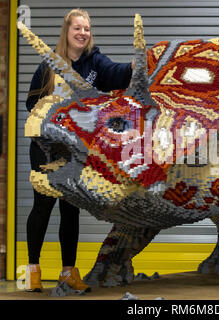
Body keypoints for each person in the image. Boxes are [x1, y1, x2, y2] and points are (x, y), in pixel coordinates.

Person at [24, 8, 133, 292]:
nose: (82, 33)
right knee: (42, 207)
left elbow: (116, 73)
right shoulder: (48, 65)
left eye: (86, 28)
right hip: (46, 148)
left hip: (77, 150)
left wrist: (135, 66)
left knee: (71, 210)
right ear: (67, 31)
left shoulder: (95, 61)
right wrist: (55, 116)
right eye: (77, 28)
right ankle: (32, 270)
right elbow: (30, 103)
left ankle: (68, 272)